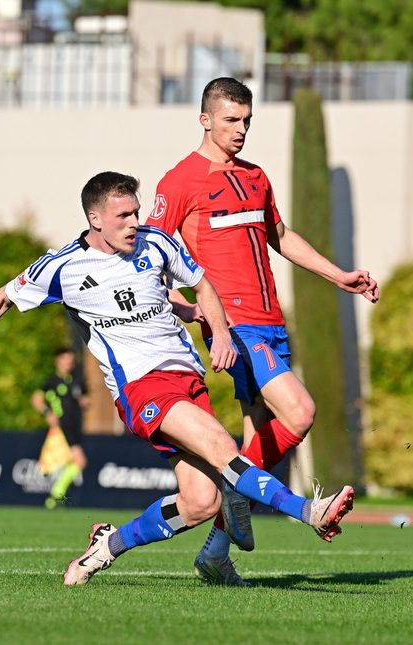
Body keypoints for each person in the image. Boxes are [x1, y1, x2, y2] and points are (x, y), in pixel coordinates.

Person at [0, 171, 355, 586]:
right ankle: (309, 511)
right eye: (123, 216)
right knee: (225, 447)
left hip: (188, 379)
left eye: (136, 212)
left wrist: (218, 331)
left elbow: (202, 286)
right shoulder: (64, 267)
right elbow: (1, 299)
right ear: (95, 219)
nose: (135, 222)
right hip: (141, 386)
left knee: (201, 502)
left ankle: (105, 546)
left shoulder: (157, 243)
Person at [145, 77, 379, 586]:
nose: (241, 130)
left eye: (247, 120)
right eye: (231, 120)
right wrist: (191, 311)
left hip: (272, 322)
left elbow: (281, 236)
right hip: (235, 325)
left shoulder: (255, 176)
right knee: (300, 411)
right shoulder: (179, 181)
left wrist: (338, 275)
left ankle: (215, 550)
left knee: (261, 436)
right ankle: (239, 488)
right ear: (205, 119)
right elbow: (151, 262)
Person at [32, 347, 90, 508]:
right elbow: (36, 399)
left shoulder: (77, 380)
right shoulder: (52, 381)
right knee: (80, 461)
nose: (68, 364)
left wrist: (84, 402)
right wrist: (48, 413)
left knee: (74, 461)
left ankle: (57, 496)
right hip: (63, 427)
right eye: (65, 360)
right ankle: (56, 496)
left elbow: (84, 399)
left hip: (75, 426)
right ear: (57, 361)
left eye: (71, 361)